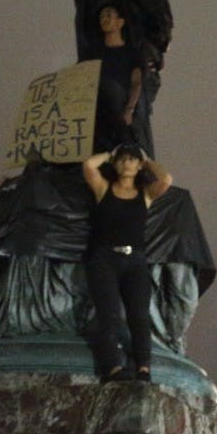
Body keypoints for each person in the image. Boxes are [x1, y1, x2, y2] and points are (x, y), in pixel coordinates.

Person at [82, 144, 171, 382]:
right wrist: (109, 155)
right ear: (115, 163)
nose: (127, 164)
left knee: (139, 316)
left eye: (132, 160)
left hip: (135, 262)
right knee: (109, 315)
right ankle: (112, 368)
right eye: (123, 160)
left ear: (139, 165)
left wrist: (146, 158)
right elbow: (89, 166)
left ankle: (143, 369)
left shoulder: (145, 193)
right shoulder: (103, 189)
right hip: (104, 259)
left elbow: (166, 179)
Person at [91, 2, 154, 156]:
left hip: (121, 111)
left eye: (109, 15)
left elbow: (136, 82)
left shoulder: (131, 53)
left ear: (120, 22)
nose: (104, 19)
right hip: (99, 114)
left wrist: (129, 109)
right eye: (102, 16)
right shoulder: (93, 54)